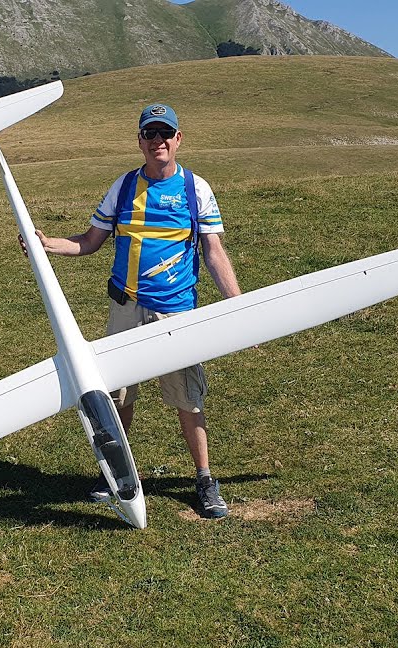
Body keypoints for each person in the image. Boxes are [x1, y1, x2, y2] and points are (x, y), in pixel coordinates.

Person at [33, 103, 242, 519]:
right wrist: (47, 243)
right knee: (117, 395)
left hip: (175, 313)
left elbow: (214, 253)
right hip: (126, 308)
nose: (158, 141)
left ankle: (204, 479)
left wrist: (241, 308)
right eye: (151, 134)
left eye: (166, 133)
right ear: (140, 141)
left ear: (178, 139)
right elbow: (91, 241)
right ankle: (116, 474)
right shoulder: (125, 186)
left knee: (188, 398)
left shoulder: (195, 189)